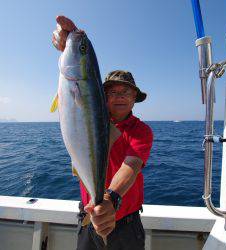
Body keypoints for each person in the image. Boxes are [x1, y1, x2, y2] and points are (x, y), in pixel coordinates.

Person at [52, 16, 153, 250]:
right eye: (113, 91)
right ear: (102, 97)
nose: (119, 96)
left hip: (125, 225)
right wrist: (69, 43)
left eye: (126, 92)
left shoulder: (141, 131)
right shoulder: (91, 118)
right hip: (88, 219)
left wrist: (109, 198)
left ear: (134, 100)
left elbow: (132, 165)